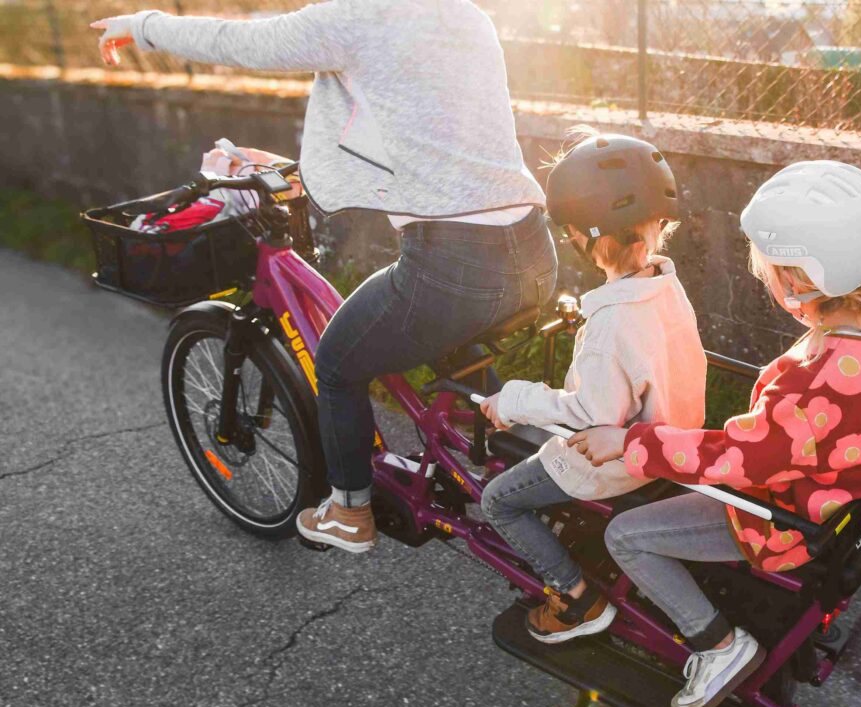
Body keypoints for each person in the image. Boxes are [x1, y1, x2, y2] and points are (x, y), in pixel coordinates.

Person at [93, 2, 557, 552]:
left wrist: (143, 26)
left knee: (337, 363)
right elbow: (427, 117)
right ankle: (533, 467)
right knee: (452, 341)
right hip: (533, 248)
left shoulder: (358, 18)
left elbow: (239, 43)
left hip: (454, 263)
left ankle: (348, 512)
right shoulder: (464, 13)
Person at [569, 160, 861, 707]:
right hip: (826, 496)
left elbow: (744, 459)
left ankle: (718, 646)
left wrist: (631, 441)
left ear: (799, 279)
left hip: (776, 517)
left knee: (625, 535)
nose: (767, 280)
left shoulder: (815, 380)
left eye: (769, 270)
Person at [479, 132, 707, 644]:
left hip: (615, 465)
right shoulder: (666, 287)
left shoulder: (610, 325)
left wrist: (515, 399)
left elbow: (590, 416)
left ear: (586, 237)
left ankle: (576, 598)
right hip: (671, 441)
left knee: (499, 500)